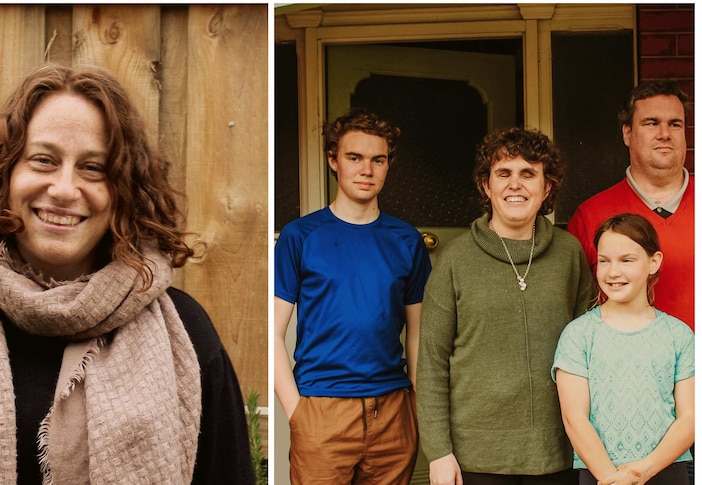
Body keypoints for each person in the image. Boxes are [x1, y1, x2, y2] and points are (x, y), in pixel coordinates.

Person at [0, 63, 254, 485]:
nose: (63, 189)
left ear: (124, 191)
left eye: (93, 168)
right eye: (43, 160)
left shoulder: (186, 333)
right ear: (5, 174)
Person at [417, 127, 597, 485]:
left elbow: (589, 352)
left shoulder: (569, 254)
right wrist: (438, 451)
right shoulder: (455, 260)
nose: (515, 184)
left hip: (557, 449)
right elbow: (432, 364)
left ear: (547, 187)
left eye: (528, 173)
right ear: (486, 185)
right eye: (504, 173)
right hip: (476, 456)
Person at [274, 109, 431, 484]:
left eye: (378, 160)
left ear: (388, 165)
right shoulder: (300, 237)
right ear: (333, 160)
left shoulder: (406, 239)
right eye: (354, 158)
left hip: (393, 408)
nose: (367, 170)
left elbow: (418, 336)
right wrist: (297, 412)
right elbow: (272, 334)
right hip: (322, 409)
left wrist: (416, 407)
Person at [553, 213, 694, 485]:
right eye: (604, 261)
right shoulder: (579, 335)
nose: (613, 272)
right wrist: (611, 478)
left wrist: (640, 472)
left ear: (654, 262)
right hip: (600, 473)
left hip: (665, 470)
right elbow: (574, 418)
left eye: (627, 260)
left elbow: (689, 416)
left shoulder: (679, 335)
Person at [566, 81, 694, 332]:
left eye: (675, 124)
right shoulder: (590, 216)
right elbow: (576, 311)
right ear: (627, 133)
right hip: (626, 369)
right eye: (651, 123)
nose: (665, 134)